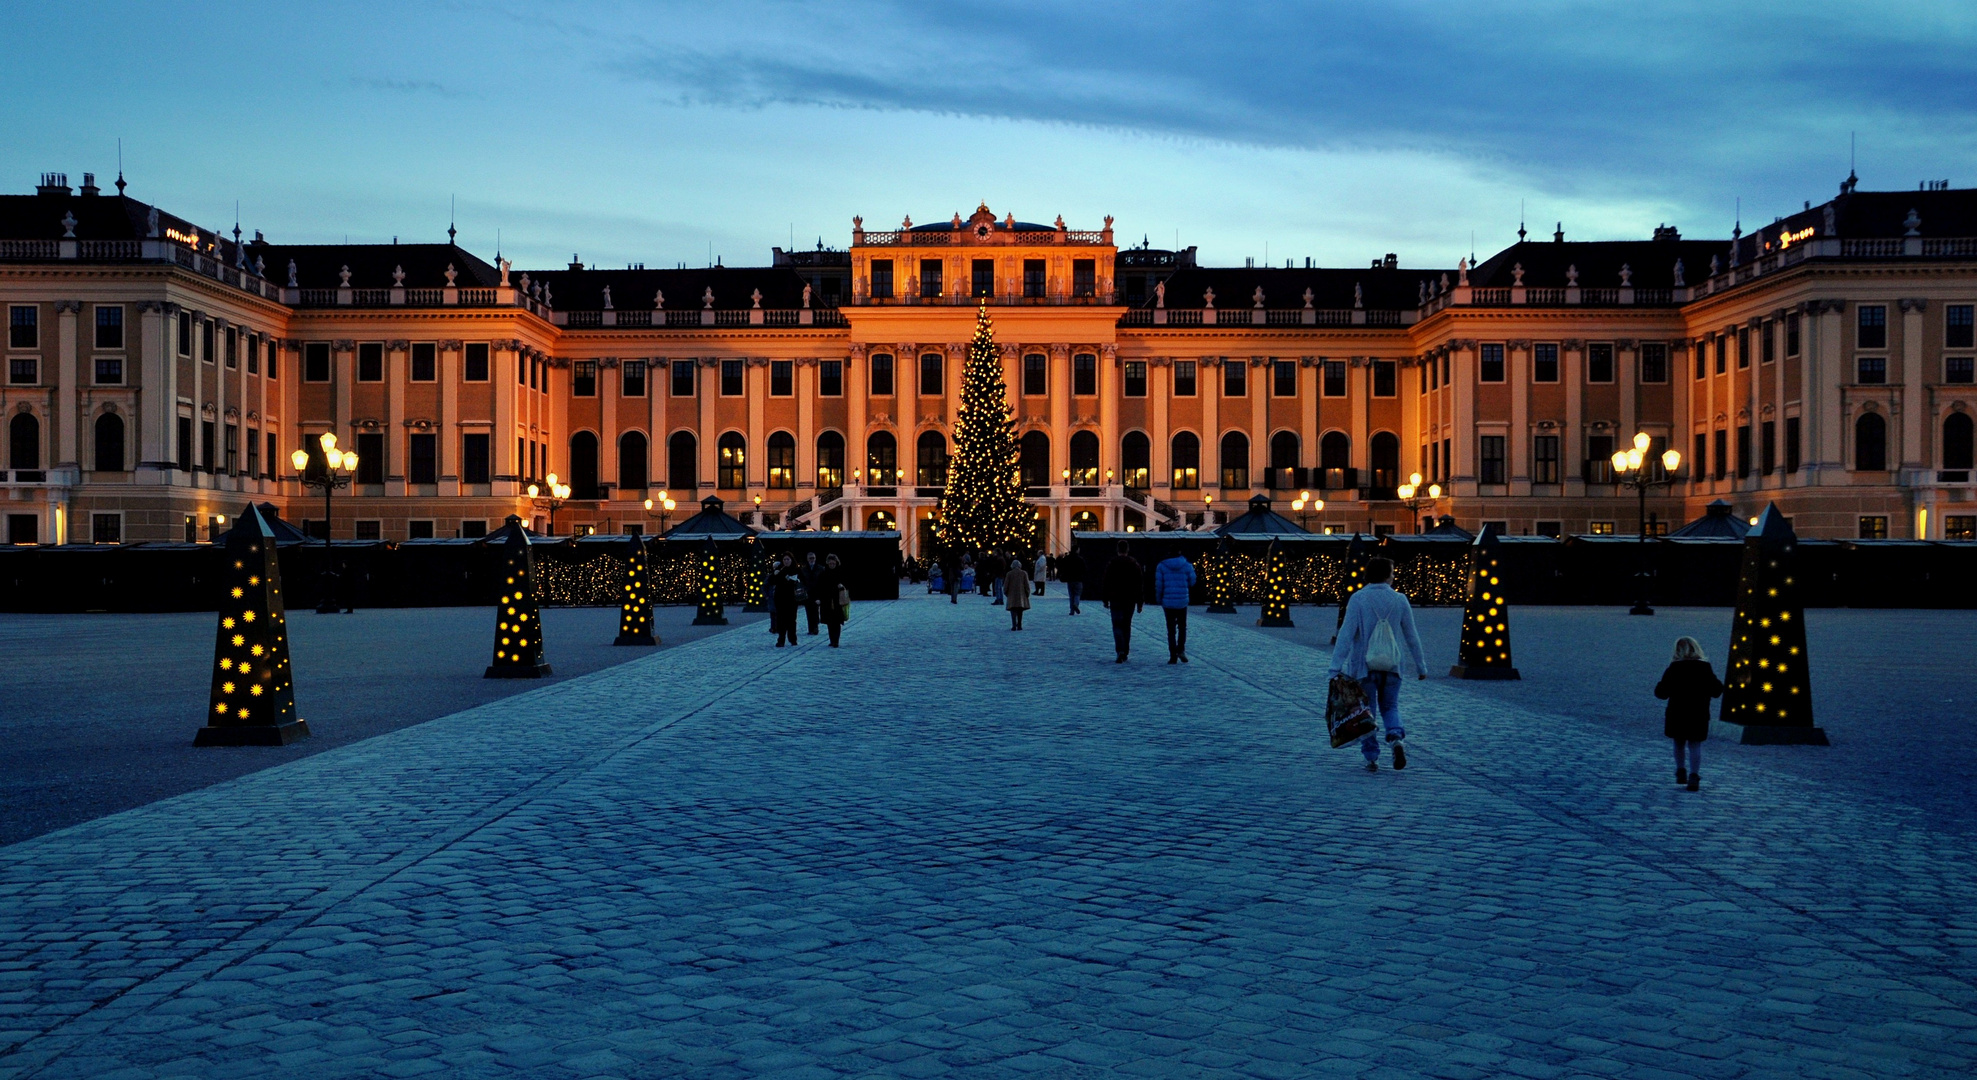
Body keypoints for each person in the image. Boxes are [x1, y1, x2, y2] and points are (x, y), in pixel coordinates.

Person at [1327, 557, 1427, 771]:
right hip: (1392, 666)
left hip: (1364, 668)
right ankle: (1396, 737)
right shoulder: (1400, 599)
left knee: (1367, 712)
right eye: (1392, 572)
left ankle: (1371, 756)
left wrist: (1335, 668)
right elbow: (1412, 636)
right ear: (1385, 574)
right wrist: (1421, 666)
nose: (1394, 575)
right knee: (1390, 706)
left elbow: (1345, 635)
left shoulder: (1358, 599)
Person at [1654, 636, 1723, 792]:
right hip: (1698, 712)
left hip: (1677, 712)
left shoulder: (1674, 668)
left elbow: (1661, 693)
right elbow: (1717, 690)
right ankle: (1694, 775)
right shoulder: (1705, 668)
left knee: (1678, 742)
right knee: (1695, 744)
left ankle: (1680, 771)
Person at [1101, 540, 1144, 663]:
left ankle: (1120, 650)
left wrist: (1105, 599)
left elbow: (1106, 582)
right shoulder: (1134, 564)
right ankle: (1125, 651)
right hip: (1130, 599)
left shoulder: (1112, 563)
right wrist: (1140, 602)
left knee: (1117, 625)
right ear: (1127, 549)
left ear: (1118, 550)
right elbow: (1139, 584)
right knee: (1127, 625)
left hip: (1116, 598)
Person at [1152, 549, 1197, 663]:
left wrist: (1159, 598)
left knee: (1171, 629)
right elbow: (1192, 581)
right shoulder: (1186, 565)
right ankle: (1181, 649)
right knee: (1182, 627)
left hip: (1168, 601)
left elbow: (1159, 585)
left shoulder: (1162, 566)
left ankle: (1173, 655)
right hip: (1182, 600)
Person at [816, 553, 849, 647]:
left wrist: (842, 586)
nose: (831, 565)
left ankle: (836, 641)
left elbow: (847, 584)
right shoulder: (823, 573)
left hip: (838, 600)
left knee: (837, 621)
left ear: (836, 563)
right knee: (830, 622)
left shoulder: (840, 572)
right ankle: (832, 640)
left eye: (833, 563)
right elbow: (819, 586)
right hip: (826, 600)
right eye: (830, 563)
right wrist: (818, 598)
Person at [770, 553, 802, 647]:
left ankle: (792, 639)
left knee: (792, 620)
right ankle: (781, 639)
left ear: (791, 560)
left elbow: (802, 581)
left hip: (792, 599)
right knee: (781, 620)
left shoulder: (796, 570)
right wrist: (775, 574)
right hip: (780, 598)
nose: (786, 561)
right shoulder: (780, 570)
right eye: (784, 559)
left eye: (788, 559)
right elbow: (772, 581)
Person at [1004, 557, 1032, 630]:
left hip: (1012, 595)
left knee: (1013, 610)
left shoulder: (1009, 574)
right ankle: (1019, 625)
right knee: (1020, 611)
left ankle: (1013, 625)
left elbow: (1006, 585)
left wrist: (1006, 593)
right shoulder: (1023, 573)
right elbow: (1027, 585)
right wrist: (1027, 593)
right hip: (1021, 596)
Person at [799, 551, 823, 635]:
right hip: (807, 593)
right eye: (810, 558)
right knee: (808, 611)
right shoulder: (804, 570)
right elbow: (802, 581)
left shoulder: (820, 569)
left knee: (815, 611)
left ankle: (815, 627)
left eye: (813, 558)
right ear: (807, 559)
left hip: (817, 593)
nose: (812, 560)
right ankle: (810, 628)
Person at [1058, 547, 1086, 615]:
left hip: (1069, 579)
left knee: (1071, 595)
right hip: (1078, 579)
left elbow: (1061, 566)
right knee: (1077, 594)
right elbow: (1084, 569)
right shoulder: (1080, 559)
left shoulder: (1067, 558)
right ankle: (1076, 604)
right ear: (1077, 550)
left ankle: (1071, 611)